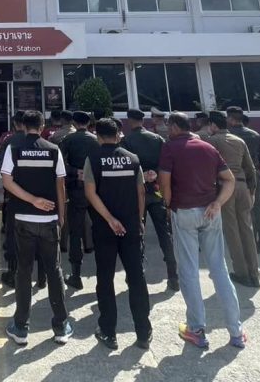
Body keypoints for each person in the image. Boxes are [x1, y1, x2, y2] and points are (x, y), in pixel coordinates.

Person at [159, 112, 246, 350]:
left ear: (174, 127)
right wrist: (218, 203)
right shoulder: (208, 147)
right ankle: (236, 331)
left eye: (168, 126)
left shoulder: (170, 148)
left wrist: (168, 205)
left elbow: (164, 181)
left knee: (188, 270)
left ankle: (196, 329)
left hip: (184, 211)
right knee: (219, 269)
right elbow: (229, 179)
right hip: (211, 211)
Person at [2, 109, 73, 345]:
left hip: (23, 219)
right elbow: (61, 185)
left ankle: (21, 327)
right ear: (42, 126)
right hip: (49, 220)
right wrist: (61, 216)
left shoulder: (14, 148)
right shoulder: (53, 149)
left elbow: (7, 181)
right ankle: (61, 325)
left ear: (23, 125)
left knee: (23, 271)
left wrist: (31, 200)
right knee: (54, 270)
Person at [85, 117, 151, 350]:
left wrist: (110, 219)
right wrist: (139, 220)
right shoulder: (133, 159)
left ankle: (108, 331)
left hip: (105, 228)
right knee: (136, 277)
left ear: (98, 136)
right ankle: (143, 332)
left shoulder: (93, 159)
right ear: (117, 135)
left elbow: (91, 193)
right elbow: (141, 192)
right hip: (131, 226)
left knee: (105, 278)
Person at [123, 107, 178, 292]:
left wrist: (142, 175)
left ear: (130, 120)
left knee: (137, 232)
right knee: (164, 234)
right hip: (156, 191)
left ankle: (135, 275)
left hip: (136, 192)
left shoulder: (127, 141)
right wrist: (154, 173)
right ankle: (173, 275)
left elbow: (126, 165)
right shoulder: (157, 139)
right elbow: (166, 162)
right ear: (143, 120)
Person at [204, 110, 260, 288]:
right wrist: (252, 191)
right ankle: (254, 272)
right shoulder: (239, 140)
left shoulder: (212, 141)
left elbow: (208, 168)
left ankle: (241, 273)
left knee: (232, 231)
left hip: (225, 188)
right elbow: (250, 168)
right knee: (247, 229)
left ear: (213, 125)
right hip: (243, 186)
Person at [61, 110, 98, 290]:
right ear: (89, 123)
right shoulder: (96, 140)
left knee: (75, 232)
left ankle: (76, 275)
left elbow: (60, 163)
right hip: (96, 190)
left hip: (76, 189)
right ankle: (102, 272)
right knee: (99, 229)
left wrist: (76, 171)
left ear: (74, 123)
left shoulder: (68, 140)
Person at [228, 108, 260, 254]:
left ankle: (249, 242)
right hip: (256, 174)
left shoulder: (229, 135)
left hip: (237, 176)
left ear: (230, 119)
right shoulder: (255, 134)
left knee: (243, 211)